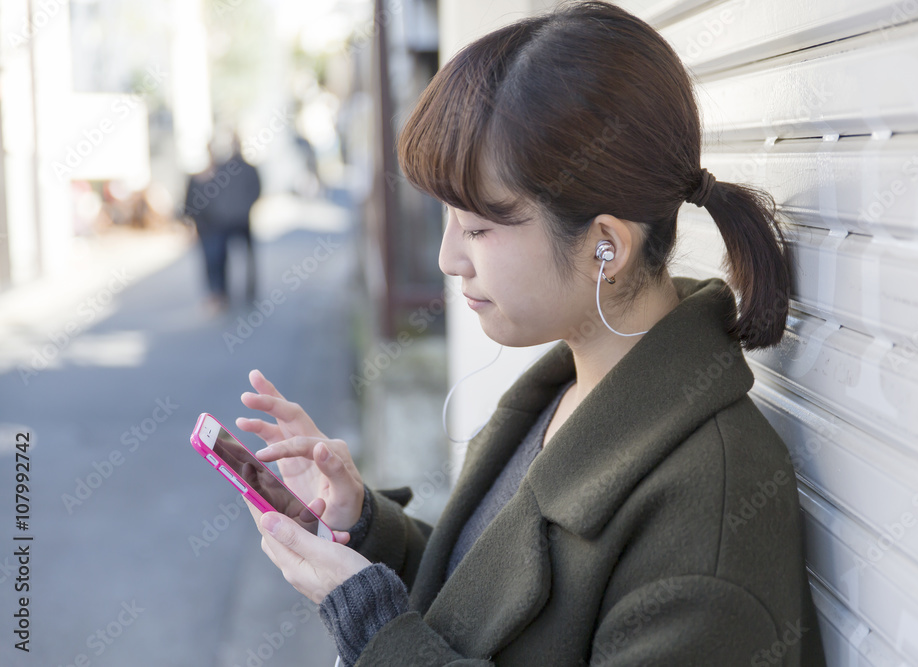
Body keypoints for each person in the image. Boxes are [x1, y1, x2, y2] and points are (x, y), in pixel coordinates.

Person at [235, 2, 827, 665]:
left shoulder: (714, 509)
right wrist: (365, 527)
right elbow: (491, 602)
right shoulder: (570, 386)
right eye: (448, 219)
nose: (448, 258)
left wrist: (376, 628)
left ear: (606, 245)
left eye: (480, 227)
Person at [183, 135, 261, 311]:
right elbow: (192, 202)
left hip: (226, 222)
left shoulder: (232, 169)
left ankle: (237, 292)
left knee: (229, 258)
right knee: (216, 260)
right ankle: (219, 295)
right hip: (211, 225)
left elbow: (253, 191)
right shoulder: (206, 173)